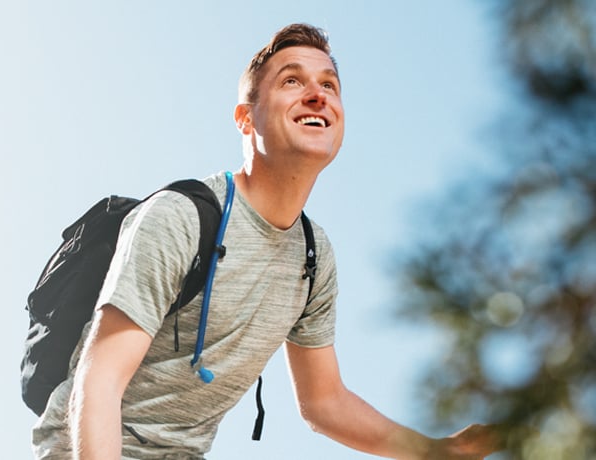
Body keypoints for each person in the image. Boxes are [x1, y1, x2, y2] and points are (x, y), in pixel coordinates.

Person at [30, 23, 502, 459]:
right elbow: (101, 379)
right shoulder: (183, 218)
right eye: (292, 81)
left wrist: (438, 451)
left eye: (329, 85)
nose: (317, 95)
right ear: (245, 119)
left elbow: (325, 402)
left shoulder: (313, 257)